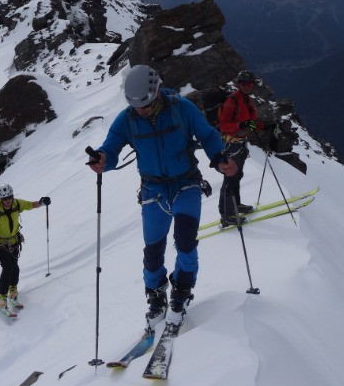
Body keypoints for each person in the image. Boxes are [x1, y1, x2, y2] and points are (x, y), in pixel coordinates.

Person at [87, 64, 237, 329]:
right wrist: (102, 159)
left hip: (186, 184)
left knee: (185, 241)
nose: (141, 110)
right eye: (135, 106)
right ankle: (156, 296)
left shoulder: (182, 108)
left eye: (145, 104)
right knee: (152, 252)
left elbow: (207, 134)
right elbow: (111, 148)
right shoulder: (127, 119)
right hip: (153, 191)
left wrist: (219, 158)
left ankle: (181, 292)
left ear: (157, 91)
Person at [0, 179, 51, 311]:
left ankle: (13, 289)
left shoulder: (17, 204)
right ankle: (2, 297)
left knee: (15, 268)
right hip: (0, 245)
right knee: (7, 268)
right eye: (5, 198)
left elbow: (30, 205)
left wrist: (42, 202)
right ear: (1, 199)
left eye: (9, 197)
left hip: (14, 243)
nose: (8, 200)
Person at [217, 69, 260, 227]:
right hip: (231, 144)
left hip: (241, 143)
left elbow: (251, 122)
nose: (247, 86)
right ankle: (227, 215)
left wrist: (264, 127)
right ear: (238, 84)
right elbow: (223, 126)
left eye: (249, 84)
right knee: (230, 178)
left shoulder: (247, 101)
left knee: (237, 176)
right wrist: (240, 125)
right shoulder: (232, 102)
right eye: (244, 83)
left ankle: (236, 205)